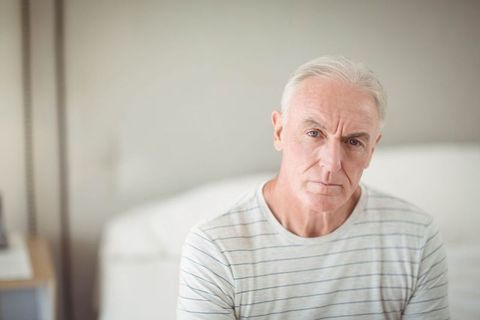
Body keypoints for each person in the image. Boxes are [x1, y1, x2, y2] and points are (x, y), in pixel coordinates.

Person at [177, 56, 449, 319]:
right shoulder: (214, 247)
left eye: (353, 142)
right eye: (314, 133)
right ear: (279, 131)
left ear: (372, 149)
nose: (331, 164)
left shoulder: (416, 237)